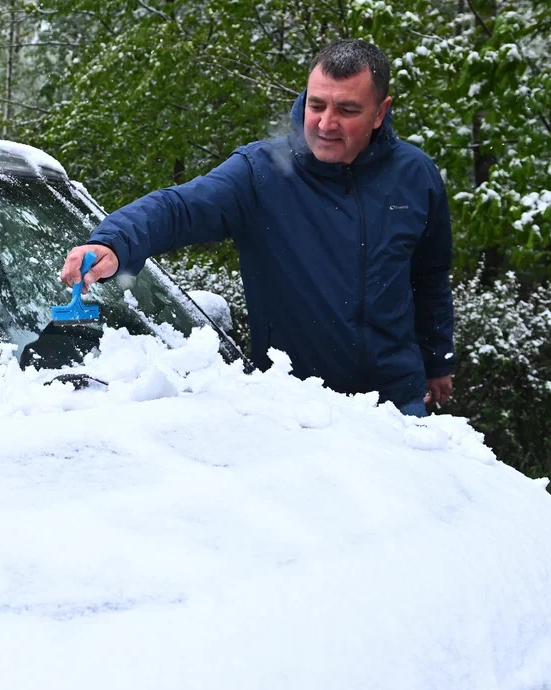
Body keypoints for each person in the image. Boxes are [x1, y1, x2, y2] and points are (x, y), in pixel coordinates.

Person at [60, 39, 455, 416]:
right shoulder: (261, 173)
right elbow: (179, 207)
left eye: (348, 110)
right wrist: (114, 242)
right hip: (298, 407)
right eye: (316, 105)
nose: (326, 123)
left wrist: (437, 361)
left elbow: (430, 276)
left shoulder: (415, 176)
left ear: (380, 112)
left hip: (399, 406)